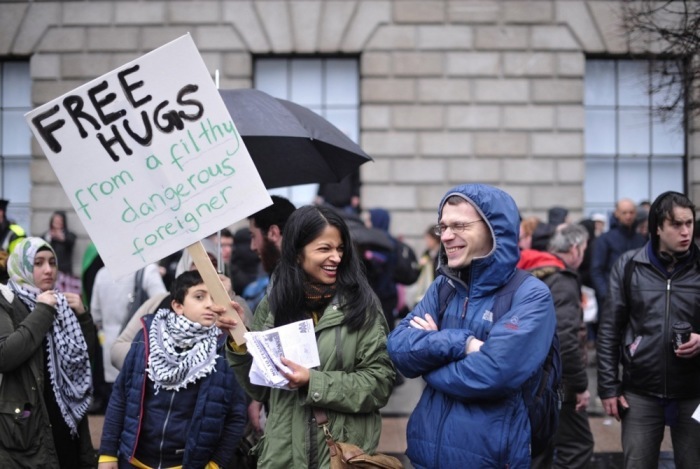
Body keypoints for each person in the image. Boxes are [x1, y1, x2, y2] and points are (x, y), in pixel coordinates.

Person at [387, 183, 556, 467]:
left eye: (459, 226)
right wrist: (461, 343)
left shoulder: (531, 294)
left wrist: (429, 365)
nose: (447, 237)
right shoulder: (444, 287)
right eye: (443, 227)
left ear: (494, 228)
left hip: (490, 458)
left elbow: (494, 373)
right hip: (425, 455)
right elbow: (398, 348)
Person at [220, 205, 396, 468]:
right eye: (324, 249)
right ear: (298, 253)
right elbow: (259, 387)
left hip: (340, 458)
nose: (336, 257)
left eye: (340, 249)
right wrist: (238, 338)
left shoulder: (361, 306)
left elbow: (379, 384)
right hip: (283, 458)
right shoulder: (274, 303)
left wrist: (313, 382)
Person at [98, 270, 247, 469]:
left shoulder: (225, 349)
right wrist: (107, 455)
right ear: (178, 305)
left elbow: (236, 416)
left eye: (215, 297)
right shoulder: (147, 338)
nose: (210, 304)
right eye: (199, 297)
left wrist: (215, 464)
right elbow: (120, 397)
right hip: (135, 461)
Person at [597, 191, 700, 468]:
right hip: (640, 392)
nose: (685, 231)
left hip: (695, 392)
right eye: (676, 224)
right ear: (657, 227)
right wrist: (608, 387)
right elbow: (609, 329)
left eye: (689, 223)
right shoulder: (629, 265)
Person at [0, 237, 96, 468]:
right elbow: (6, 355)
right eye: (39, 263)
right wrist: (43, 309)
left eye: (53, 263)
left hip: (65, 420)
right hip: (26, 426)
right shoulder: (6, 300)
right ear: (21, 266)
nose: (48, 270)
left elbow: (83, 360)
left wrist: (82, 316)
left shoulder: (61, 304)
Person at [520, 224, 594, 469]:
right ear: (574, 249)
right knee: (577, 446)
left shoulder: (534, 270)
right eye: (583, 249)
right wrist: (580, 386)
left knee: (541, 449)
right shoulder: (562, 279)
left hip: (532, 376)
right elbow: (565, 339)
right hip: (558, 379)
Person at [90, 261, 167, 412]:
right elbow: (162, 303)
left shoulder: (102, 273)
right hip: (139, 345)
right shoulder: (148, 271)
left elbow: (95, 314)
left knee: (116, 405)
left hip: (110, 345)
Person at [590, 198, 646, 306]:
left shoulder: (641, 240)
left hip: (636, 299)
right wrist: (606, 295)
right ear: (616, 213)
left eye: (631, 212)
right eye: (624, 212)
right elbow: (596, 270)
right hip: (611, 298)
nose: (628, 216)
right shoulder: (605, 239)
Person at [42, 211, 77, 276]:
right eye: (55, 220)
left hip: (64, 270)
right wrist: (49, 238)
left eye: (59, 220)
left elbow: (71, 242)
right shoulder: (47, 235)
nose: (57, 223)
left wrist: (61, 238)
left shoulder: (69, 235)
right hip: (49, 269)